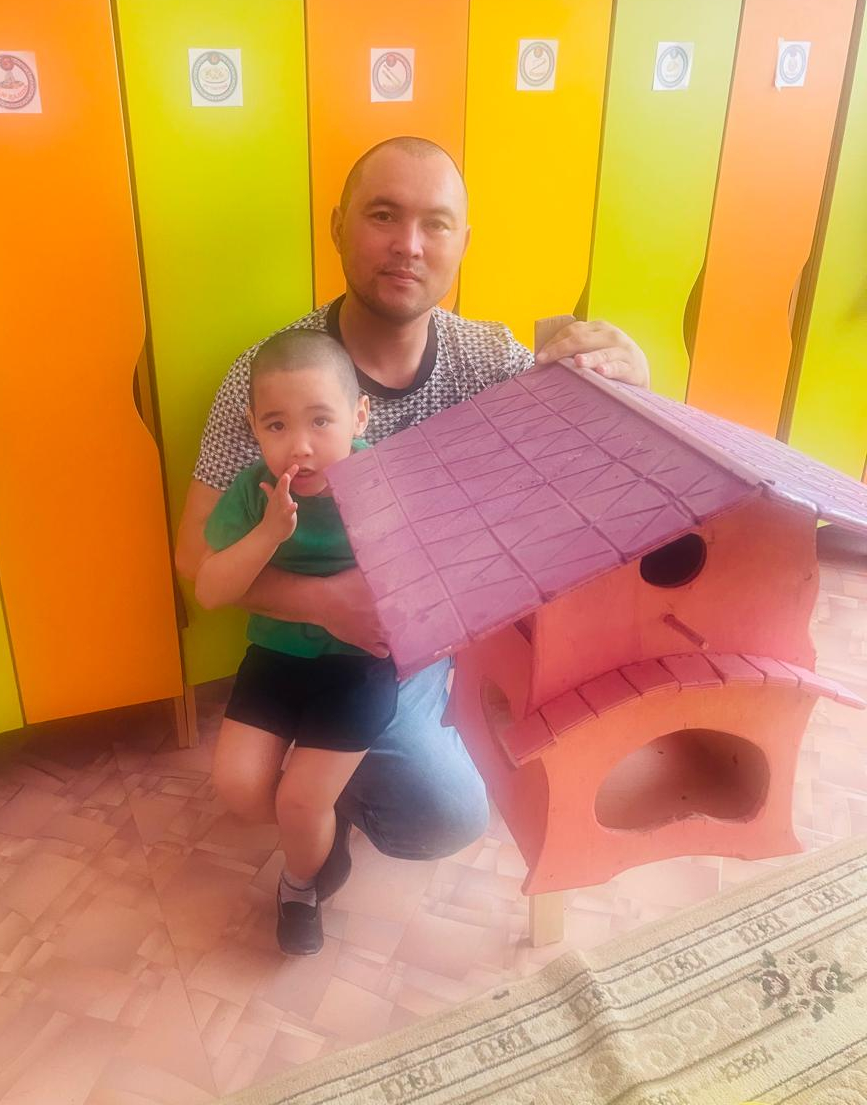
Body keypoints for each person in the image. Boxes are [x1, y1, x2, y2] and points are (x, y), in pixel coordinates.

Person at [176, 135, 650, 906]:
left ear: (464, 242)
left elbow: (590, 464)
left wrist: (630, 375)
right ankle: (319, 801)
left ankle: (336, 779)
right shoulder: (270, 378)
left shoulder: (490, 362)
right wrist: (325, 603)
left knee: (442, 816)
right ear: (338, 226)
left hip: (421, 654)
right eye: (383, 215)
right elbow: (193, 554)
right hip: (298, 645)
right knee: (249, 790)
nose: (409, 244)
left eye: (436, 223)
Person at [196, 329, 397, 955]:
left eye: (320, 421)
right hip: (277, 659)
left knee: (303, 803)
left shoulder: (387, 481)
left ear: (359, 416)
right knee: (240, 789)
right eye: (277, 425)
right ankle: (321, 834)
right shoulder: (252, 490)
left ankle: (301, 885)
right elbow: (209, 590)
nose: (300, 446)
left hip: (359, 669)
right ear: (254, 427)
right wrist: (267, 534)